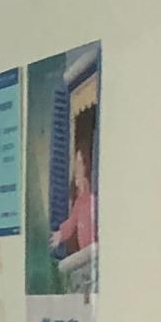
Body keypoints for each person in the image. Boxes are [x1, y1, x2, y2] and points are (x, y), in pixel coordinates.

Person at [51, 105, 97, 257]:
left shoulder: (94, 201)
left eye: (80, 165)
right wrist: (59, 235)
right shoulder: (79, 203)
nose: (76, 172)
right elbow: (71, 223)